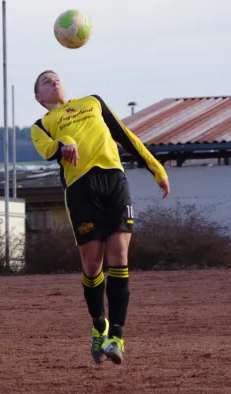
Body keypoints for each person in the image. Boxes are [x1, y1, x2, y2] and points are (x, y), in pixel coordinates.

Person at [31, 70, 170, 364]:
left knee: (119, 255)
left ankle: (116, 337)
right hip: (81, 188)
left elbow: (124, 135)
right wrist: (64, 141)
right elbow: (47, 150)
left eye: (56, 77)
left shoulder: (92, 102)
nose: (53, 81)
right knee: (92, 263)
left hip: (114, 180)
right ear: (39, 97)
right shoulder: (41, 125)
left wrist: (156, 168)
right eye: (45, 81)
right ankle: (99, 325)